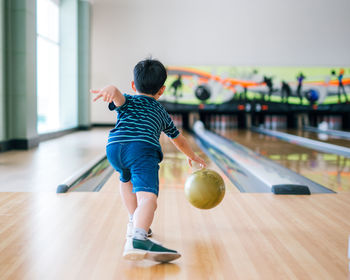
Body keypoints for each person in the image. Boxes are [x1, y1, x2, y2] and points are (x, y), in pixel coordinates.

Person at [91, 58, 206, 262]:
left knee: (125, 178)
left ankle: (134, 220)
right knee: (148, 199)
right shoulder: (161, 112)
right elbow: (178, 140)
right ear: (161, 90)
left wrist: (110, 88)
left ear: (134, 85)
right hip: (142, 150)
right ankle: (139, 238)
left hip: (114, 148)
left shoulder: (128, 100)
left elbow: (116, 95)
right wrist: (193, 156)